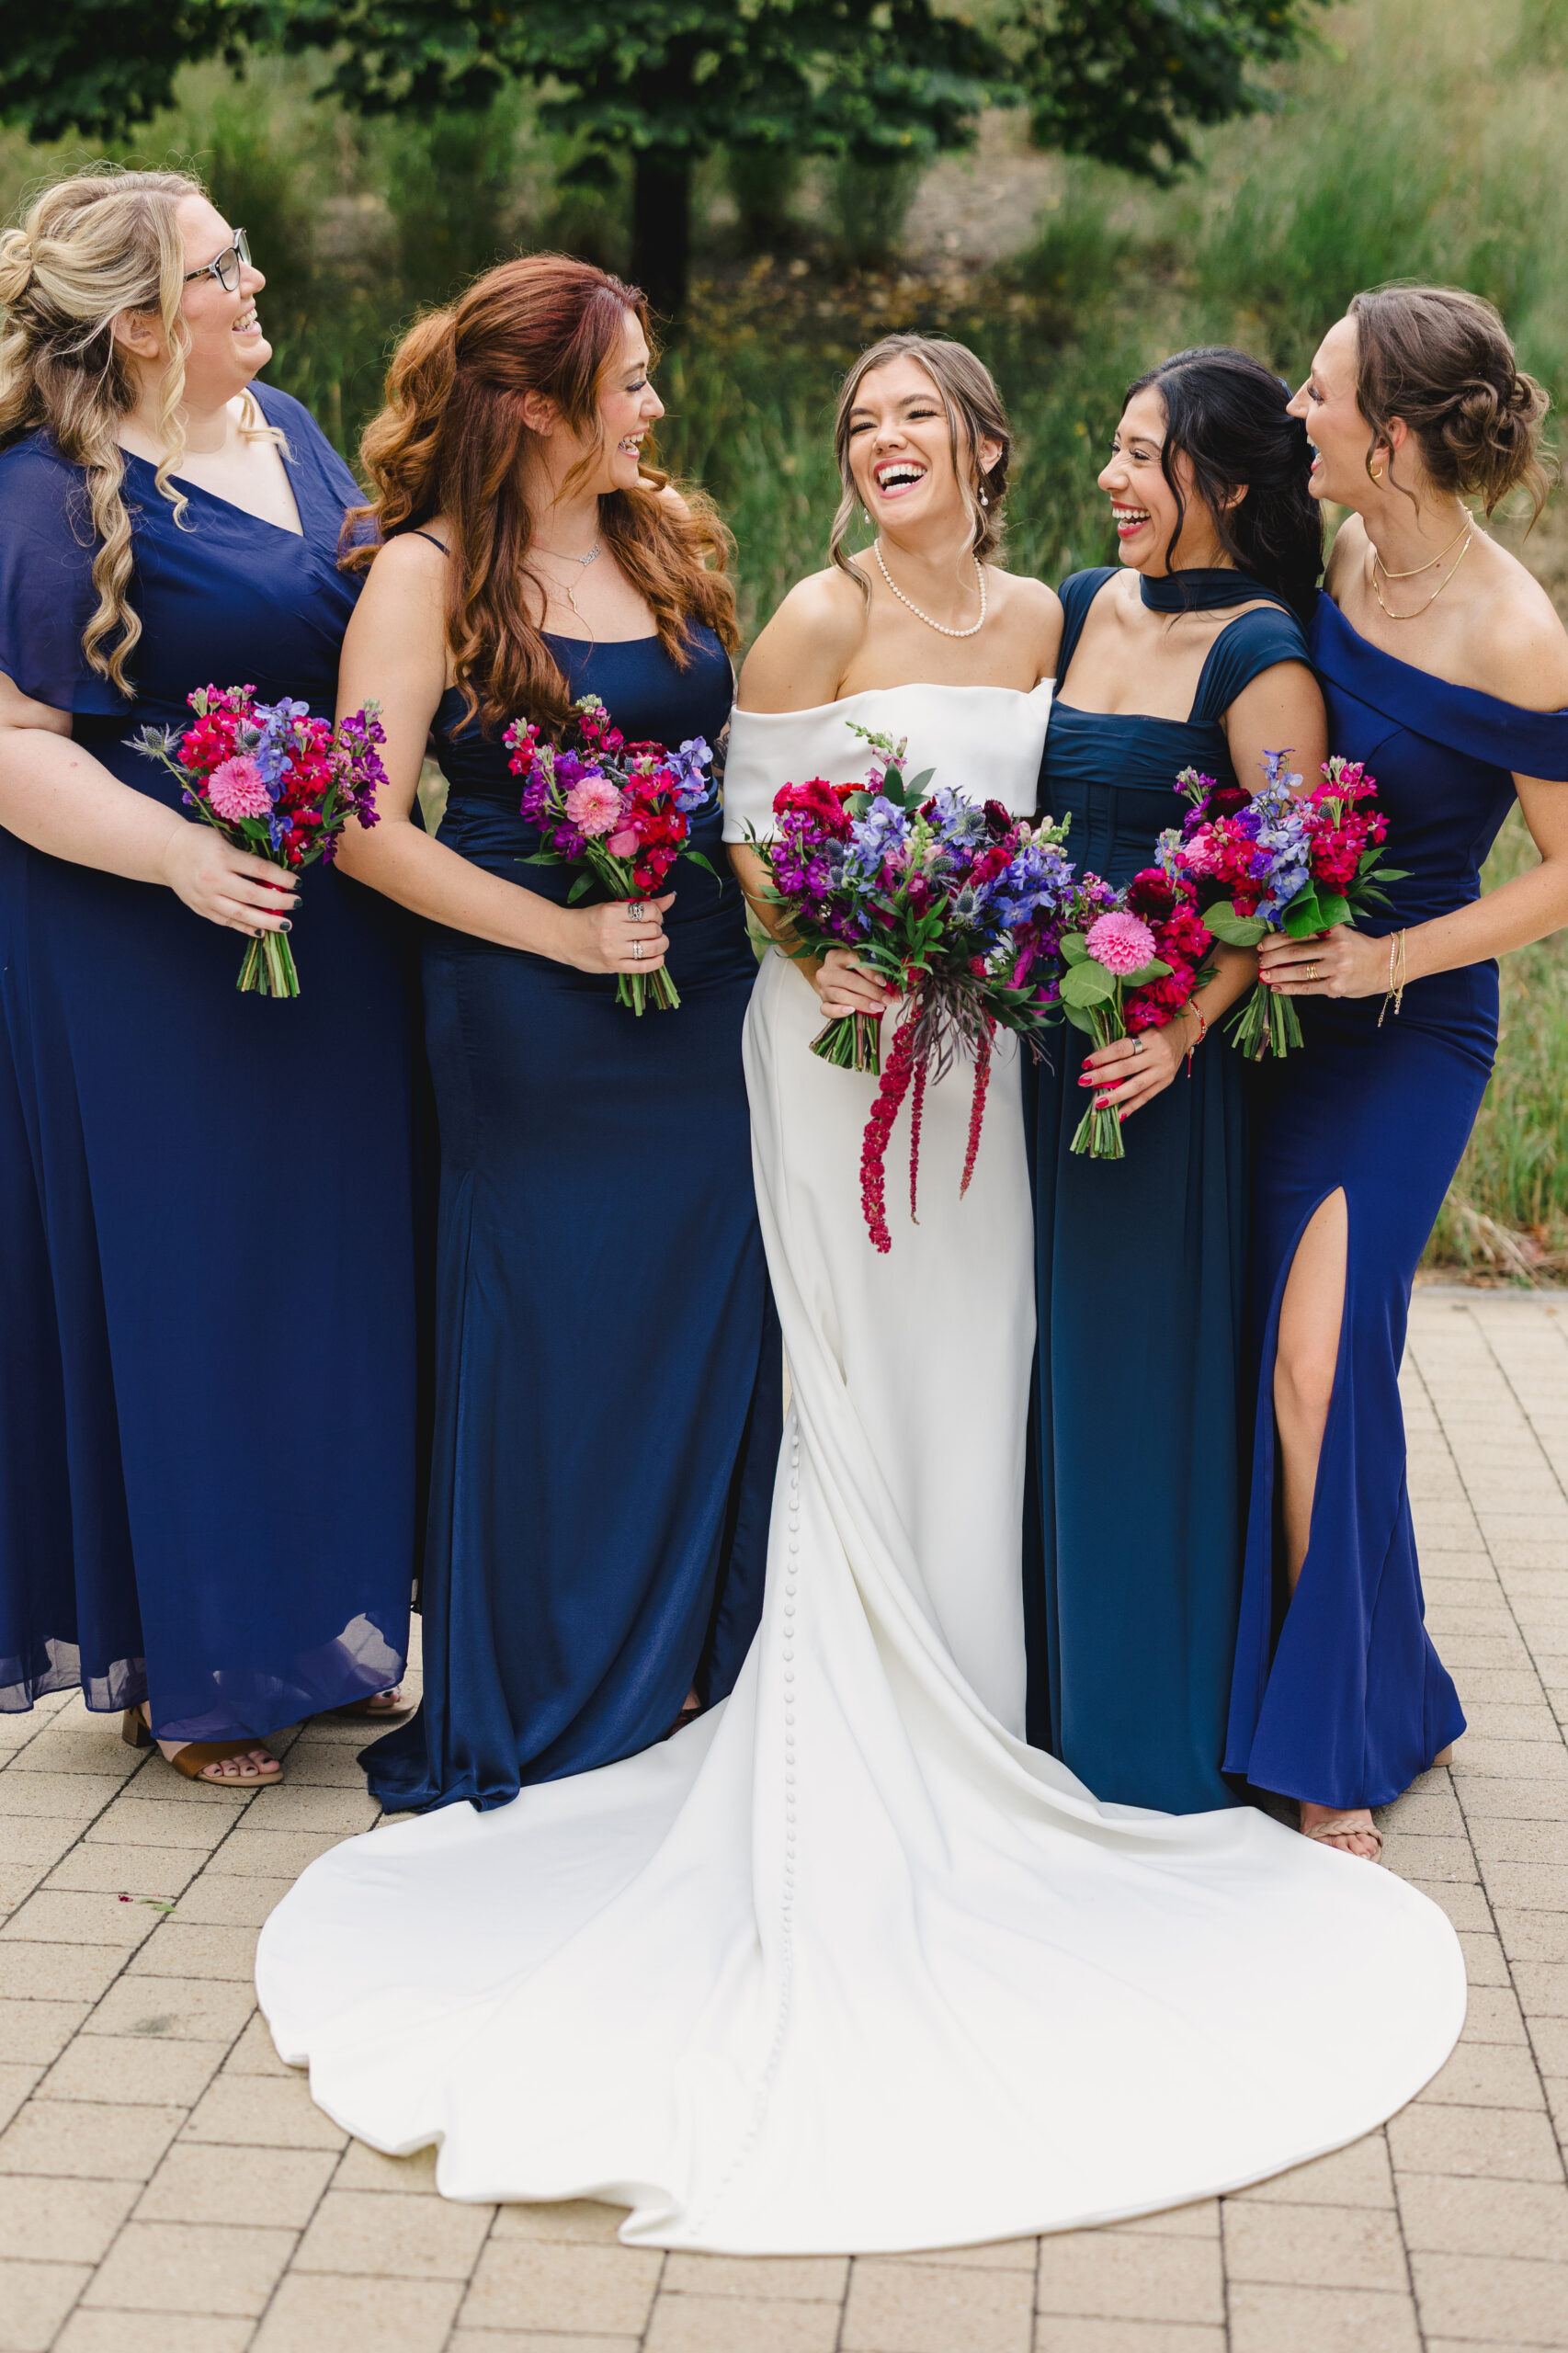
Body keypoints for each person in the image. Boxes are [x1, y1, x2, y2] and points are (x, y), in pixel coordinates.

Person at [257, 332, 1463, 2254]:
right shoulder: (807, 620)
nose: (882, 441)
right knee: (849, 1379)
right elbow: (743, 836)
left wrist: (1055, 966)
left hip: (1000, 1060)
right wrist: (830, 953)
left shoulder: (1058, 629)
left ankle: (1000, 1699)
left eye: (918, 418)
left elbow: (1116, 818)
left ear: (989, 448)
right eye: (857, 422)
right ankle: (852, 1710)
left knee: (990, 1374)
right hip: (834, 1063)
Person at [317, 255, 779, 1813]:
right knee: (554, 1330)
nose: (655, 403)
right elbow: (368, 832)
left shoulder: (668, 541)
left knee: (708, 1313)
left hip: (704, 990)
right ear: (529, 407)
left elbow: (733, 777)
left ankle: (689, 1664)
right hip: (523, 995)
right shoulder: (423, 574)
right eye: (627, 380)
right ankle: (545, 1682)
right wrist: (567, 934)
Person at [0, 169, 418, 1783]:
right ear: (140, 322)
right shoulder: (47, 492)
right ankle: (196, 1661)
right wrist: (175, 855)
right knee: (188, 1285)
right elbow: (18, 745)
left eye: (243, 253)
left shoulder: (294, 431)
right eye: (218, 268)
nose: (256, 282)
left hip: (321, 919)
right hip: (136, 938)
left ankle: (315, 1624)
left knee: (319, 1270)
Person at [1225, 285, 1568, 1859]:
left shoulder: (1516, 631)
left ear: (1394, 433)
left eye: (1317, 392)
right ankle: (1375, 1677)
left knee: (1318, 1361)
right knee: (1283, 1363)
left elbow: (1564, 875)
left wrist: (1384, 959)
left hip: (1406, 1027)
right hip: (1269, 1004)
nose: (1295, 412)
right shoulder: (1337, 550)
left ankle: (1334, 1741)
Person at [1029, 347, 1328, 1813]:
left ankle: (1139, 1719)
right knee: (1032, 1367)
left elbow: (1282, 885)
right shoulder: (1085, 605)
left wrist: (1179, 1030)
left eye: (1142, 455)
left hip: (1149, 1069)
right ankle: (1038, 1690)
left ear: (1224, 480)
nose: (1110, 478)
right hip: (1031, 1043)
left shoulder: (1262, 657)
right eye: (1112, 447)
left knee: (1131, 1381)